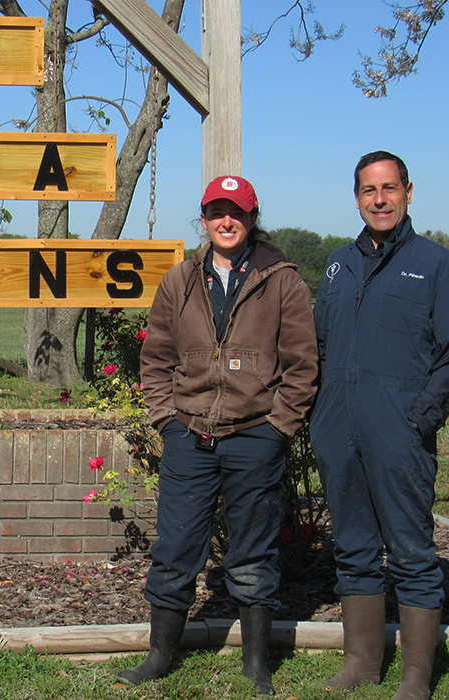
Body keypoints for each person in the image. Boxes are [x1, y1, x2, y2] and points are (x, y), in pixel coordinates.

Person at [121, 175, 318, 694]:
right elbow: (156, 357)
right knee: (177, 545)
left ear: (253, 218)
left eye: (237, 212)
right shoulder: (179, 280)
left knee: (253, 549)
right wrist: (164, 417)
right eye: (216, 212)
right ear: (204, 219)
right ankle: (161, 654)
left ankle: (256, 663)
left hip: (256, 434)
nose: (226, 221)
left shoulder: (283, 281)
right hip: (189, 434)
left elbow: (302, 365)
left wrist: (279, 428)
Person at [311, 151, 449, 700]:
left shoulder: (437, 264)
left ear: (409, 191)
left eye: (389, 188)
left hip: (399, 431)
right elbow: (316, 346)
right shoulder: (338, 265)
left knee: (410, 551)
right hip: (339, 428)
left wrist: (420, 419)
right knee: (354, 547)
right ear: (356, 197)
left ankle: (415, 676)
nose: (379, 199)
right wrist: (318, 415)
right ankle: (361, 663)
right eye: (368, 190)